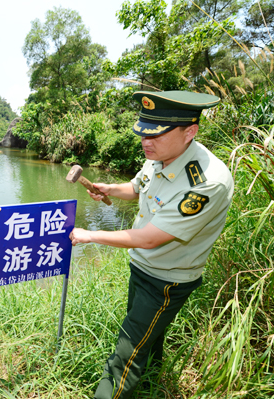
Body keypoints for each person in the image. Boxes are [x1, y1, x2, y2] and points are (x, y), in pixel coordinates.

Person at [69, 91, 234, 399]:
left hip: (167, 279)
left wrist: (89, 235)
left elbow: (150, 238)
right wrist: (110, 189)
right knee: (148, 337)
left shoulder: (206, 182)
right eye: (143, 133)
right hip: (142, 267)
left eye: (156, 135)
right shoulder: (159, 157)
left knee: (125, 355)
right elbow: (136, 188)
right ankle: (152, 385)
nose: (146, 142)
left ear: (190, 132)